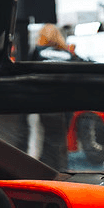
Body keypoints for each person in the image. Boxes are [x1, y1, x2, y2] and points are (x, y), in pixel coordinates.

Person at [30, 24, 75, 171]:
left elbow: (30, 74)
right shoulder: (68, 55)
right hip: (67, 102)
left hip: (46, 101)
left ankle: (49, 170)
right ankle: (62, 169)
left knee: (48, 138)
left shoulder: (38, 52)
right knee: (61, 138)